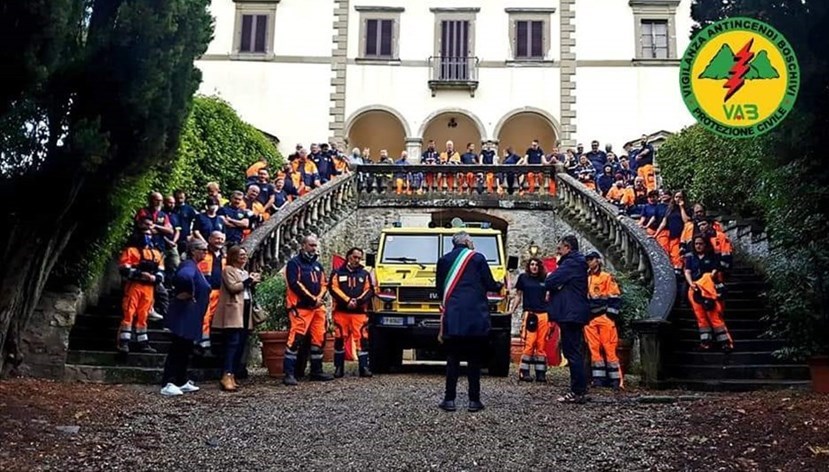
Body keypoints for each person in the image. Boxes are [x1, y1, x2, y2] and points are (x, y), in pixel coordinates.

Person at [436, 231, 503, 413]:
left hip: (454, 316)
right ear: (466, 241)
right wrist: (500, 284)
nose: (472, 244)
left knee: (452, 360)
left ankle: (449, 400)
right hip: (475, 316)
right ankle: (474, 401)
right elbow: (490, 285)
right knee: (474, 360)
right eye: (471, 241)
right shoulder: (478, 258)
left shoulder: (443, 260)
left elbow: (440, 289)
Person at [160, 239, 211, 396]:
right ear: (193, 251)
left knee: (185, 349)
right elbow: (183, 277)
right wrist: (190, 292)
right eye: (203, 249)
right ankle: (168, 382)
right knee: (178, 348)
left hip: (191, 315)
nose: (206, 252)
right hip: (184, 314)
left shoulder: (194, 266)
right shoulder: (188, 265)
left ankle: (180, 381)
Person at [283, 234, 335, 385]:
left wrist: (319, 299)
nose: (314, 248)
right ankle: (289, 374)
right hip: (300, 308)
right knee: (295, 340)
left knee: (319, 338)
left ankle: (316, 371)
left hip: (317, 309)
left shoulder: (317, 265)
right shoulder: (294, 264)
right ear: (303, 246)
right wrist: (313, 299)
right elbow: (294, 284)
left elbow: (324, 283)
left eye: (315, 245)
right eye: (311, 245)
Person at [544, 235, 589, 404]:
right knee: (574, 352)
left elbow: (550, 281)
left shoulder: (571, 263)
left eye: (560, 249)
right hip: (573, 313)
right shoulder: (576, 263)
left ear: (567, 248)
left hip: (570, 313)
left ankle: (578, 391)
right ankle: (579, 389)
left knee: (572, 352)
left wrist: (553, 279)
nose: (558, 252)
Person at [212, 245, 261, 391]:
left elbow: (246, 289)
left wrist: (252, 282)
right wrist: (248, 281)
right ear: (233, 257)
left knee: (240, 343)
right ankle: (226, 374)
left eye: (245, 255)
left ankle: (232, 373)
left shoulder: (244, 272)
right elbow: (233, 288)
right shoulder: (228, 270)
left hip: (245, 309)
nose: (244, 257)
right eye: (241, 255)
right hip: (233, 311)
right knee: (232, 343)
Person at [117, 217, 165, 354]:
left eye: (149, 235)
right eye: (145, 234)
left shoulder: (156, 253)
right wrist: (140, 274)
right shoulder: (131, 250)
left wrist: (154, 278)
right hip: (134, 285)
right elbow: (123, 268)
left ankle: (143, 343)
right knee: (129, 312)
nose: (148, 237)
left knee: (143, 315)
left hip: (149, 288)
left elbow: (161, 271)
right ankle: (123, 342)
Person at [330, 247, 375, 378]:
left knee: (362, 340)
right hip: (341, 312)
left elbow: (369, 290)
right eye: (355, 257)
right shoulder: (337, 272)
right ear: (348, 256)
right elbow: (333, 288)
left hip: (359, 313)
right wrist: (347, 301)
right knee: (339, 340)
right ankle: (338, 368)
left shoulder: (364, 274)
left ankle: (364, 368)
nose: (357, 260)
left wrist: (358, 301)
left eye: (359, 258)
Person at [684, 234, 733, 352]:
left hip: (709, 289)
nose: (698, 246)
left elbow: (716, 270)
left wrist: (711, 276)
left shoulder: (712, 257)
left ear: (705, 244)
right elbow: (687, 271)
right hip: (695, 289)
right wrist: (691, 284)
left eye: (701, 244)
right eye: (696, 244)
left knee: (714, 316)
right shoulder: (691, 257)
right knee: (701, 317)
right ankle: (706, 342)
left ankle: (725, 343)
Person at [584, 251, 624, 390]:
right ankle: (598, 379)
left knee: (609, 348)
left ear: (598, 261)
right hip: (590, 319)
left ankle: (616, 380)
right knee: (594, 349)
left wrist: (610, 316)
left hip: (604, 317)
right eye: (588, 260)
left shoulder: (606, 277)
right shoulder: (585, 278)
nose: (589, 262)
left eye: (591, 259)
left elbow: (615, 296)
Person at [510, 257, 550, 383]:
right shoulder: (523, 278)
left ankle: (540, 373)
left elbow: (550, 295)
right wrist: (512, 310)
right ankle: (524, 372)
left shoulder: (545, 279)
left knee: (541, 344)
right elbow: (518, 295)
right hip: (530, 314)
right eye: (532, 264)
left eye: (536, 265)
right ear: (529, 266)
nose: (534, 267)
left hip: (543, 314)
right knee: (529, 343)